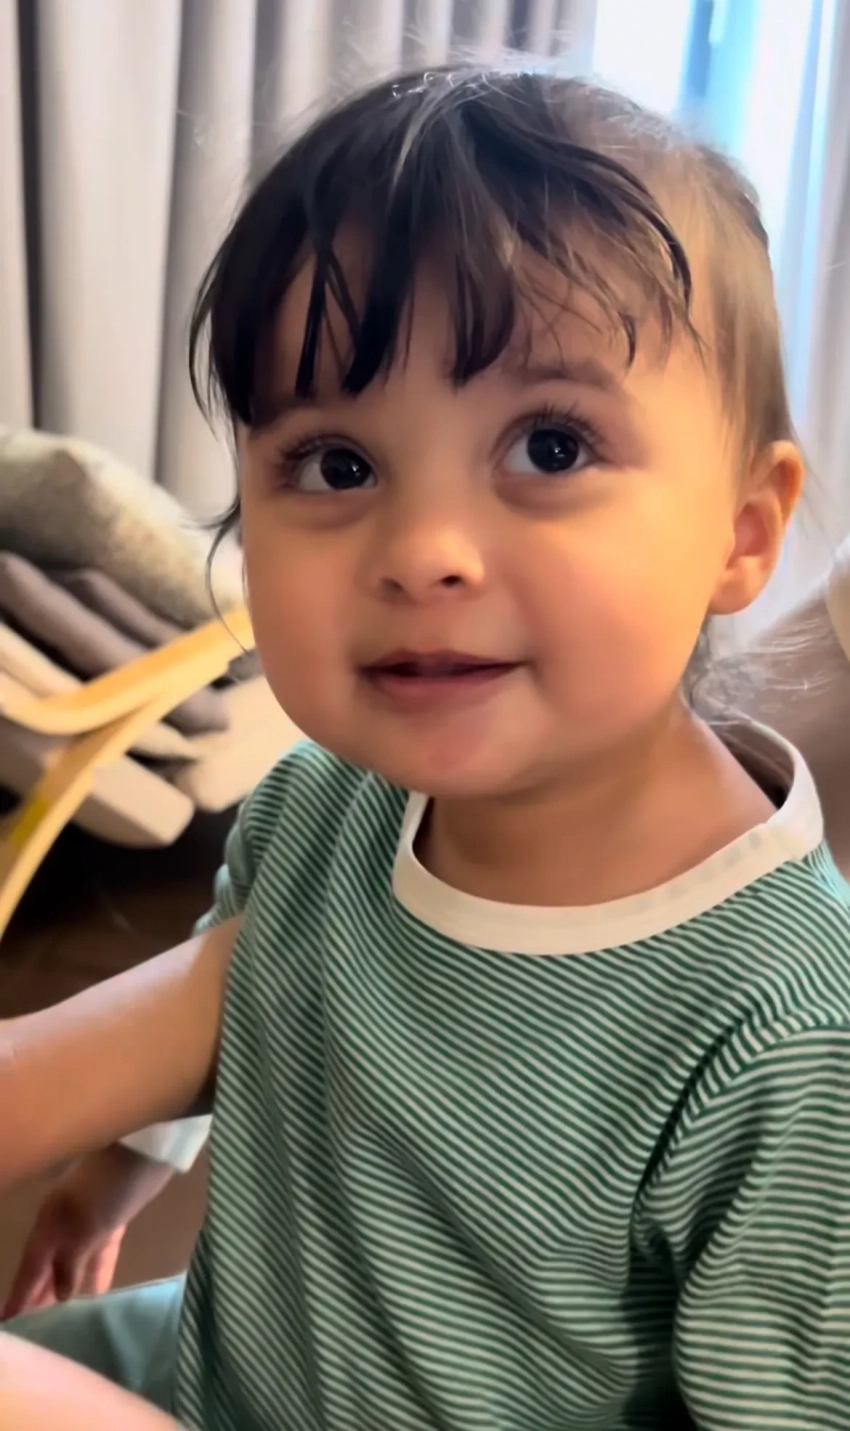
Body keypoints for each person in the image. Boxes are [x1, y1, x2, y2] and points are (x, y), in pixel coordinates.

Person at [2, 64, 850, 1430]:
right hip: (225, 1357)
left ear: (743, 531)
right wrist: (126, 1166)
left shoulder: (787, 1033)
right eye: (336, 465)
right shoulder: (327, 803)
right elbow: (220, 996)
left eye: (550, 446)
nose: (423, 551)